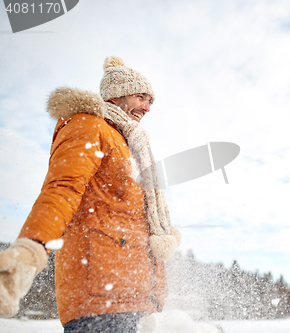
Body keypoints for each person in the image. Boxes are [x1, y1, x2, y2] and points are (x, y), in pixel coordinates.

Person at [0, 56, 181, 332]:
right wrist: (32, 247)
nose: (146, 107)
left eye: (150, 101)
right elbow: (62, 189)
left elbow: (136, 220)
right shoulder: (88, 125)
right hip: (99, 296)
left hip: (130, 296)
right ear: (116, 94)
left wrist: (153, 297)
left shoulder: (129, 143)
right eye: (140, 97)